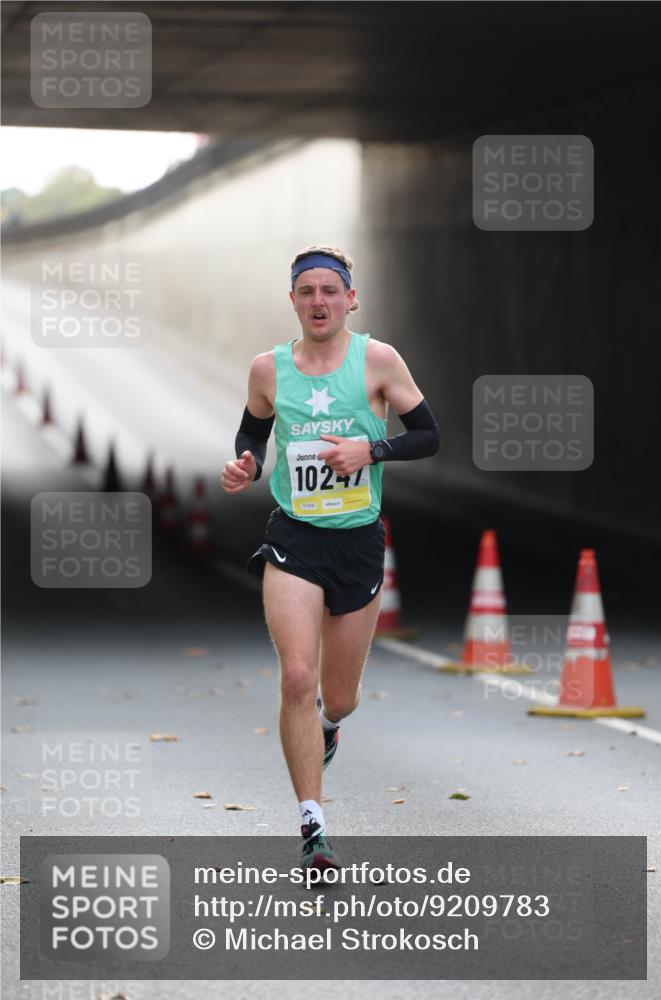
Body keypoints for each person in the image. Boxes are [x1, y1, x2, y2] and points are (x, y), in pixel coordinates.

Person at [221, 245, 440, 874]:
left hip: (359, 541)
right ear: (292, 299)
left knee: (338, 697)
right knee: (296, 676)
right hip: (295, 537)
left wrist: (369, 452)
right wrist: (246, 464)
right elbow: (253, 431)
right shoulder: (269, 370)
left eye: (330, 291)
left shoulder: (378, 360)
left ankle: (329, 725)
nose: (319, 301)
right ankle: (313, 825)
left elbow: (429, 436)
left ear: (350, 299)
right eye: (306, 291)